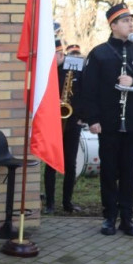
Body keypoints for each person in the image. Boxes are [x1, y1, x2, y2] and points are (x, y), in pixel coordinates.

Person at [79, 3, 133, 236]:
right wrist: (93, 119)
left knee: (128, 172)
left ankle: (127, 218)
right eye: (125, 21)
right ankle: (109, 217)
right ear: (113, 25)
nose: (130, 24)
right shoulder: (99, 53)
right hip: (108, 122)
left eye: (131, 20)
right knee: (109, 171)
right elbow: (88, 90)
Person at [44, 40, 84, 213]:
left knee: (70, 163)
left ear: (61, 54)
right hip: (53, 122)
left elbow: (84, 91)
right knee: (50, 163)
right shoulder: (46, 70)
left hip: (73, 120)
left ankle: (67, 202)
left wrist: (81, 116)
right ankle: (50, 204)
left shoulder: (76, 67)